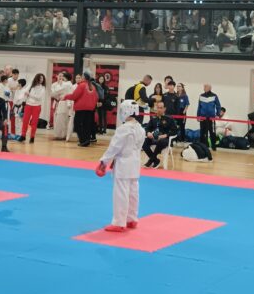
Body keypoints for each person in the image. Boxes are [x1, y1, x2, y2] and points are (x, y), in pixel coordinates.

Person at [95, 100, 145, 232]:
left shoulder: (123, 129)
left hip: (123, 163)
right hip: (135, 162)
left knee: (121, 193)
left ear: (126, 111)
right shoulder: (141, 128)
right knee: (134, 192)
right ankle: (132, 219)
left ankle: (119, 222)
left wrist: (103, 162)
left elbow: (114, 148)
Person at [63, 70, 98, 147]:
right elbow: (96, 98)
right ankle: (87, 140)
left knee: (77, 125)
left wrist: (65, 97)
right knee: (87, 125)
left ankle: (83, 140)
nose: (81, 78)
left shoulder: (82, 85)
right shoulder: (93, 86)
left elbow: (74, 96)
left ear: (84, 77)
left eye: (82, 76)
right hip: (90, 109)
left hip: (81, 108)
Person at [142, 99, 176, 168]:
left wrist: (166, 135)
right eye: (158, 108)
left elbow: (175, 131)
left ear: (164, 109)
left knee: (161, 141)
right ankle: (155, 160)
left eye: (161, 108)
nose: (159, 109)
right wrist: (148, 133)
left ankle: (150, 160)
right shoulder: (153, 118)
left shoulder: (169, 119)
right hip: (154, 138)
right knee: (143, 142)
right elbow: (147, 128)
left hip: (165, 139)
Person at [20, 73, 47, 143]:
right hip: (28, 105)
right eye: (40, 78)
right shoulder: (31, 85)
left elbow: (39, 97)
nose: (41, 80)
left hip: (37, 106)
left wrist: (30, 95)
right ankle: (23, 136)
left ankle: (32, 137)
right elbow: (24, 91)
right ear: (37, 78)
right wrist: (27, 94)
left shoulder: (43, 88)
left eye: (42, 78)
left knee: (34, 123)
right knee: (25, 121)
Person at [197, 83, 222, 151]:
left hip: (211, 118)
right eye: (204, 87)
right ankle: (203, 146)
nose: (204, 88)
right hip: (203, 117)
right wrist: (198, 116)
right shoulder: (201, 96)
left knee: (212, 132)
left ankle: (213, 146)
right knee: (202, 132)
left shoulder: (214, 96)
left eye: (205, 87)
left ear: (210, 88)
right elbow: (199, 107)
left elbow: (218, 106)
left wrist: (217, 115)